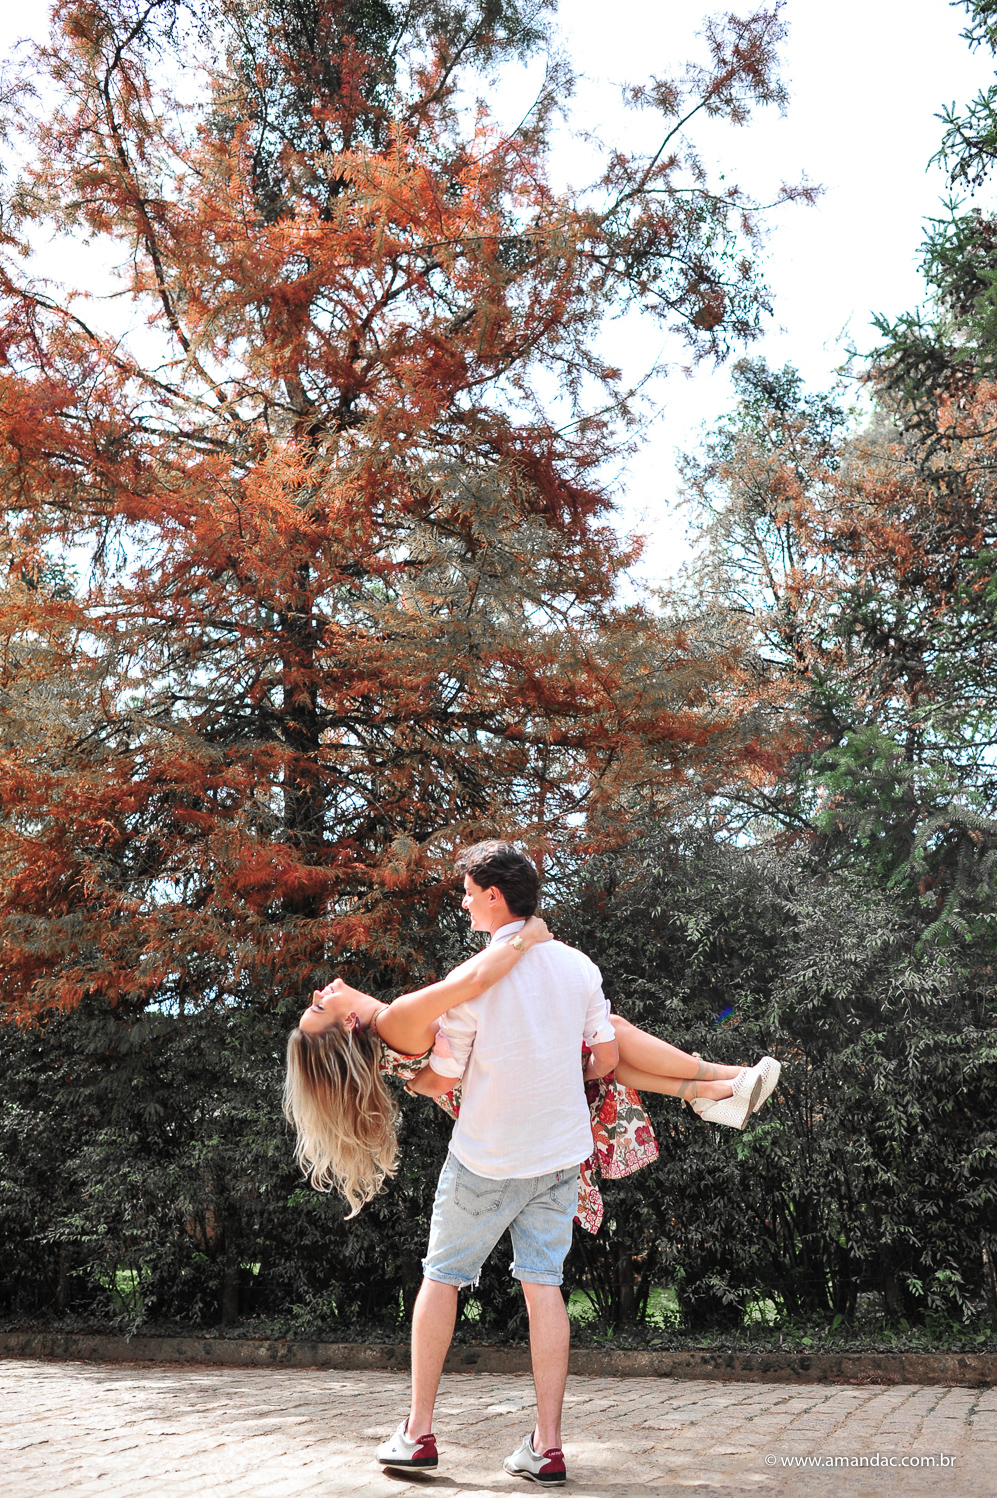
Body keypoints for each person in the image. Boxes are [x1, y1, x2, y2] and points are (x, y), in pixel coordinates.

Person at [284, 840, 779, 1485]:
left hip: (491, 1152)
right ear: (345, 1026)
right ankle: (547, 1446)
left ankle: (418, 1433)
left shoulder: (432, 1005)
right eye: (318, 1006)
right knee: (543, 1286)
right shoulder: (532, 976)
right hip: (556, 1150)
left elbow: (447, 1066)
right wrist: (533, 956)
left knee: (442, 1278)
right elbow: (579, 1052)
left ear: (492, 896)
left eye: (469, 894)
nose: (321, 991)